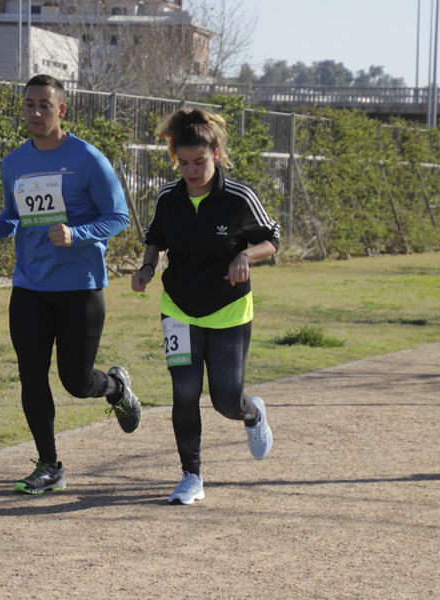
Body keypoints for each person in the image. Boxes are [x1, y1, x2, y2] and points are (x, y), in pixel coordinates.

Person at [0, 74, 141, 495]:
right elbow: (15, 216)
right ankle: (49, 465)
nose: (36, 112)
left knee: (75, 381)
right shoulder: (14, 162)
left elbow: (118, 216)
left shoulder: (87, 158)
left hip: (79, 286)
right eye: (29, 104)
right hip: (30, 284)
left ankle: (116, 387)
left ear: (61, 110)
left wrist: (77, 234)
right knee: (31, 376)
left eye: (45, 105)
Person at [131, 108, 280, 505]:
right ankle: (190, 476)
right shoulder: (169, 196)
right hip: (178, 307)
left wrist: (246, 256)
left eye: (199, 161)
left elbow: (272, 239)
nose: (192, 171)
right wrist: (146, 267)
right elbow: (156, 238)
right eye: (183, 163)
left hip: (228, 309)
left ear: (215, 153)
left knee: (225, 400)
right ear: (174, 158)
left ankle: (253, 414)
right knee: (184, 392)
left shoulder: (238, 197)